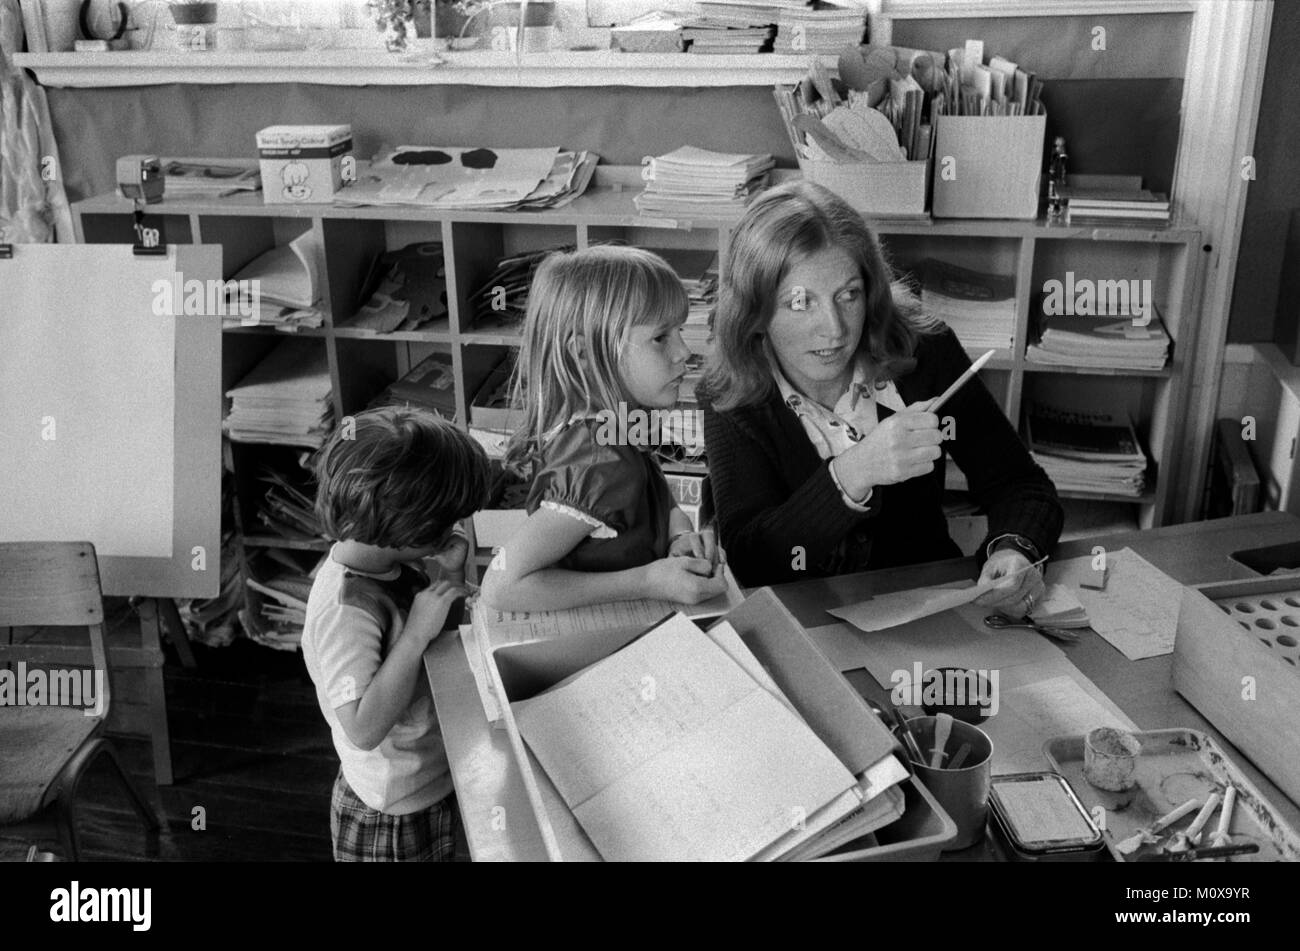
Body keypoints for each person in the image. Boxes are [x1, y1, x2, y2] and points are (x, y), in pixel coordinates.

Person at [701, 181, 1062, 616]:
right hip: (802, 625)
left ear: (869, 291)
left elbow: (1021, 485)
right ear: (756, 309)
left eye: (847, 295)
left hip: (929, 614)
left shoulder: (923, 352)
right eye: (801, 303)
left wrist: (1014, 550)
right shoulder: (731, 390)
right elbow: (752, 560)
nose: (834, 329)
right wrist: (855, 472)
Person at [480, 245, 727, 612]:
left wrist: (679, 535)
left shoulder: (613, 424)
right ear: (582, 354)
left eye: (679, 331)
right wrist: (648, 581)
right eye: (661, 337)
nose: (684, 352)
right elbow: (501, 586)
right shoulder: (598, 461)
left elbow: (655, 494)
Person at [301, 406, 492, 861]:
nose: (454, 530)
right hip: (392, 812)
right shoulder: (345, 609)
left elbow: (436, 651)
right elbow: (363, 728)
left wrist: (445, 578)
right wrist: (413, 638)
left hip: (432, 778)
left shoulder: (394, 564)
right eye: (444, 522)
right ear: (404, 521)